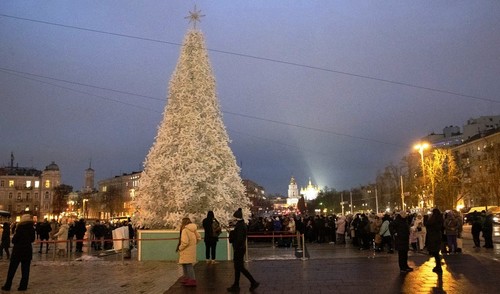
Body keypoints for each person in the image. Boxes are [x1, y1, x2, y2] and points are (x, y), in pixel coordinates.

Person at [227, 208, 259, 292]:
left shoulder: (240, 226)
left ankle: (253, 281)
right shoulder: (241, 225)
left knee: (240, 267)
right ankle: (236, 284)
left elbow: (239, 239)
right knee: (237, 267)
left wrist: (233, 236)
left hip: (239, 249)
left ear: (236, 217)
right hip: (240, 248)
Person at [1, 214, 35, 291]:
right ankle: (23, 286)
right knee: (25, 270)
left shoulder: (20, 228)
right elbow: (32, 239)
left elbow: (14, 240)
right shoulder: (32, 229)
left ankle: (8, 285)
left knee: (12, 269)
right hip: (27, 251)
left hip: (18, 251)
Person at [176, 217, 201, 287]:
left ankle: (191, 280)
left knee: (187, 265)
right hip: (191, 250)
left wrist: (180, 248)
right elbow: (199, 237)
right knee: (186, 264)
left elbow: (185, 242)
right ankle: (188, 279)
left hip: (185, 250)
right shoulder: (193, 230)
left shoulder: (185, 230)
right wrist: (193, 244)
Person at [425, 208, 443, 274]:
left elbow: (427, 224)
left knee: (435, 253)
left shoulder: (433, 220)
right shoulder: (439, 219)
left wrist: (426, 217)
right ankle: (438, 266)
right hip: (437, 237)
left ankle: (438, 267)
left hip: (433, 237)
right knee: (436, 253)